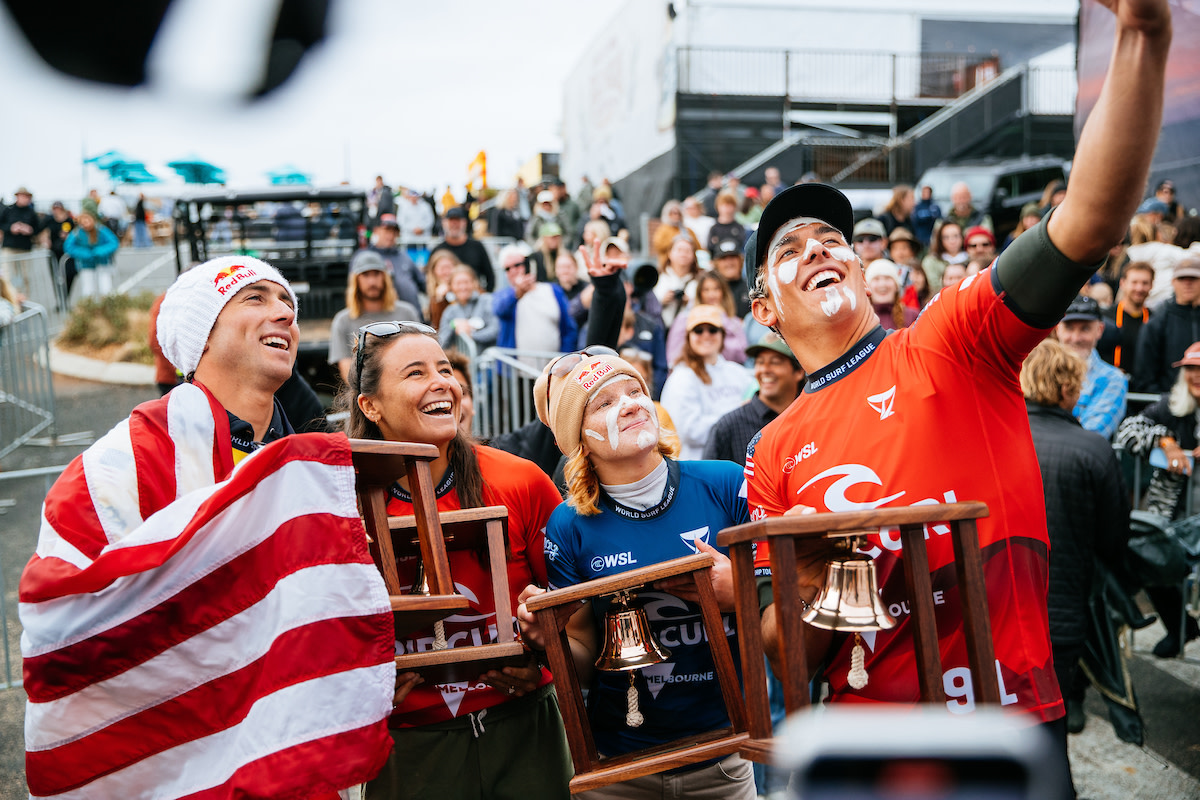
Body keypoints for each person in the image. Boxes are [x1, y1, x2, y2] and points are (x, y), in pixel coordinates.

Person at [744, 5, 1170, 795]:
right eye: (788, 250)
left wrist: (1144, 36)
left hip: (1002, 731)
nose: (818, 249)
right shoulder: (772, 450)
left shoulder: (951, 339)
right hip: (863, 744)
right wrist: (807, 577)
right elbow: (787, 656)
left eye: (833, 238)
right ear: (764, 310)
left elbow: (1090, 219)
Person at [20, 255, 395, 797]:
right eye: (255, 299)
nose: (285, 314)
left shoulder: (319, 474)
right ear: (202, 335)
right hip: (174, 763)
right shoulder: (121, 462)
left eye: (287, 303)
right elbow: (60, 614)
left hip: (293, 759)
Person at [338, 322, 572, 800]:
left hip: (525, 728)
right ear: (370, 405)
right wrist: (363, 687)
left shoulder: (520, 480)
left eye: (445, 369)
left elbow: (577, 611)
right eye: (416, 372)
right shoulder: (342, 501)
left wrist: (546, 653)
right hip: (410, 746)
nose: (441, 381)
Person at [524, 350, 756, 800]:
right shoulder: (568, 524)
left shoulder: (726, 482)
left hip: (724, 758)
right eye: (604, 403)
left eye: (636, 391)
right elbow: (584, 662)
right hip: (617, 769)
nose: (630, 404)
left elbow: (782, 610)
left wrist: (743, 591)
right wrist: (545, 639)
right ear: (580, 438)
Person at [1021, 338, 1131, 791]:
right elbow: (1113, 539)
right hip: (1060, 615)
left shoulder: (993, 435)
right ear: (1068, 388)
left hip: (998, 607)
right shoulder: (1091, 449)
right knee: (1050, 731)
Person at [1115, 342, 1200, 658]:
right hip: (1172, 512)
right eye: (1190, 368)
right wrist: (1165, 441)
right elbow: (1127, 430)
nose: (1195, 375)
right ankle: (1180, 627)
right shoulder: (1171, 404)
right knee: (1149, 555)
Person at [661, 304, 754, 460]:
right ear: (688, 336)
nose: (706, 335)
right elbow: (692, 432)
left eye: (712, 330)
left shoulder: (738, 372)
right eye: (698, 330)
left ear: (722, 335)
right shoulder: (682, 377)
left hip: (739, 461)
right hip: (699, 465)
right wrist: (739, 411)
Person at [703, 333, 804, 466]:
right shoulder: (728, 426)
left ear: (799, 372)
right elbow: (711, 482)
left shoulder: (811, 419)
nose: (765, 369)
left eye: (775, 362)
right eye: (760, 362)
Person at [328, 250, 422, 383]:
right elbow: (346, 370)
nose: (372, 281)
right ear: (356, 280)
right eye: (365, 275)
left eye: (377, 274)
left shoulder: (407, 313)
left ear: (385, 277)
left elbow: (419, 357)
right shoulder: (343, 321)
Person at [1055, 295, 1127, 439]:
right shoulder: (1039, 369)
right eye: (1069, 328)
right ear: (1057, 329)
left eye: (1085, 329)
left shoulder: (1112, 379)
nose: (1076, 338)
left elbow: (1089, 436)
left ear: (1100, 330)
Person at [493, 244, 577, 352]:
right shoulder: (503, 295)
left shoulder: (553, 290)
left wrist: (564, 359)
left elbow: (569, 329)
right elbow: (500, 309)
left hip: (553, 365)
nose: (513, 271)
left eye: (517, 265)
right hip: (516, 367)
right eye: (508, 268)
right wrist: (516, 293)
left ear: (528, 264)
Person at [666, 270, 748, 366]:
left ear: (723, 292)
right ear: (699, 293)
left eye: (716, 289)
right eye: (706, 290)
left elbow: (741, 355)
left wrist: (722, 318)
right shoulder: (685, 319)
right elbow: (674, 356)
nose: (711, 295)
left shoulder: (732, 321)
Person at [1098, 261, 1154, 375]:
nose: (1139, 288)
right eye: (1134, 282)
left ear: (1151, 285)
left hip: (1144, 387)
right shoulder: (1105, 316)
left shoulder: (1155, 320)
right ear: (1123, 283)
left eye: (1145, 283)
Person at [369, 214, 426, 316]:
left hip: (413, 317)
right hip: (383, 318)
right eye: (387, 230)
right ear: (376, 230)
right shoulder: (367, 257)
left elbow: (423, 283)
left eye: (394, 231)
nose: (390, 235)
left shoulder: (404, 257)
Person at [431, 206, 495, 292]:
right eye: (451, 221)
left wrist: (484, 297)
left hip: (474, 297)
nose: (454, 224)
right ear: (444, 223)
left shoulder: (477, 247)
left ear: (464, 222)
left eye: (457, 221)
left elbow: (490, 275)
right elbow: (430, 277)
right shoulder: (438, 250)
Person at [439, 265, 498, 354]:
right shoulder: (450, 311)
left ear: (474, 283)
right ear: (451, 286)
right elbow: (442, 343)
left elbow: (495, 330)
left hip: (485, 363)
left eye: (466, 282)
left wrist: (471, 334)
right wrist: (453, 325)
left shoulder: (486, 301)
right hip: (463, 364)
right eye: (458, 283)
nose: (463, 287)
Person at [0, 186, 48, 293]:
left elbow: (38, 228)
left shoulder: (31, 212)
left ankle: (24, 298)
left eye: (26, 197)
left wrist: (30, 230)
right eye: (22, 196)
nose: (24, 199)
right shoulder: (8, 210)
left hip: (24, 247)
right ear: (17, 197)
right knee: (8, 275)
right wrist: (11, 228)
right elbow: (1, 224)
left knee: (25, 276)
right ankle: (11, 298)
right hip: (9, 247)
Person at [64, 211, 120, 300]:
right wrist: (84, 253)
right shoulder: (77, 233)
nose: (86, 225)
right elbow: (69, 246)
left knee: (106, 289)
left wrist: (101, 251)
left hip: (103, 262)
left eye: (87, 221)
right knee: (88, 290)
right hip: (86, 264)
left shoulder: (101, 230)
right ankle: (90, 309)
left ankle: (108, 308)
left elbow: (113, 242)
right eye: (83, 223)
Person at [655, 234, 701, 328]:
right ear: (669, 253)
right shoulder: (658, 277)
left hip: (689, 329)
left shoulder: (699, 280)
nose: (683, 254)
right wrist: (662, 300)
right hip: (662, 328)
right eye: (679, 250)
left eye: (687, 251)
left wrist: (690, 302)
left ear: (693, 255)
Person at [866, 259, 919, 331]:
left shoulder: (913, 316)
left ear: (896, 286)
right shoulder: (859, 320)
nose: (882, 284)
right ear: (868, 287)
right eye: (876, 279)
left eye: (887, 278)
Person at [651, 200, 700, 268]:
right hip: (667, 265)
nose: (675, 216)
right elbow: (658, 246)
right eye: (673, 213)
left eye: (678, 213)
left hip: (689, 266)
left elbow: (697, 246)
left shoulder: (687, 230)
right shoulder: (663, 230)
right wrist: (676, 241)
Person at [922, 219, 967, 293]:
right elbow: (931, 286)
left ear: (962, 237)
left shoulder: (971, 259)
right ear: (940, 240)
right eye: (946, 237)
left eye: (956, 236)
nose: (952, 241)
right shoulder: (931, 262)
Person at [706, 190, 746, 255]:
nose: (727, 209)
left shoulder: (739, 227)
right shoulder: (714, 229)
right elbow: (710, 248)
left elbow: (743, 246)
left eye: (730, 205)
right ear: (718, 207)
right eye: (724, 205)